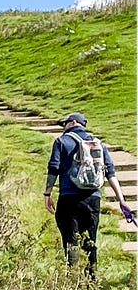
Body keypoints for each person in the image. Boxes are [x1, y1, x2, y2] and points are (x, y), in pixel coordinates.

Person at [45, 111, 130, 275]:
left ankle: (72, 279)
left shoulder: (61, 142)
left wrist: (47, 194)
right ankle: (91, 282)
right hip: (92, 199)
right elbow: (110, 173)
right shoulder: (98, 144)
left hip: (69, 199)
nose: (63, 127)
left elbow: (53, 168)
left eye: (65, 123)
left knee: (71, 240)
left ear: (73, 123)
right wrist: (122, 200)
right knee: (90, 241)